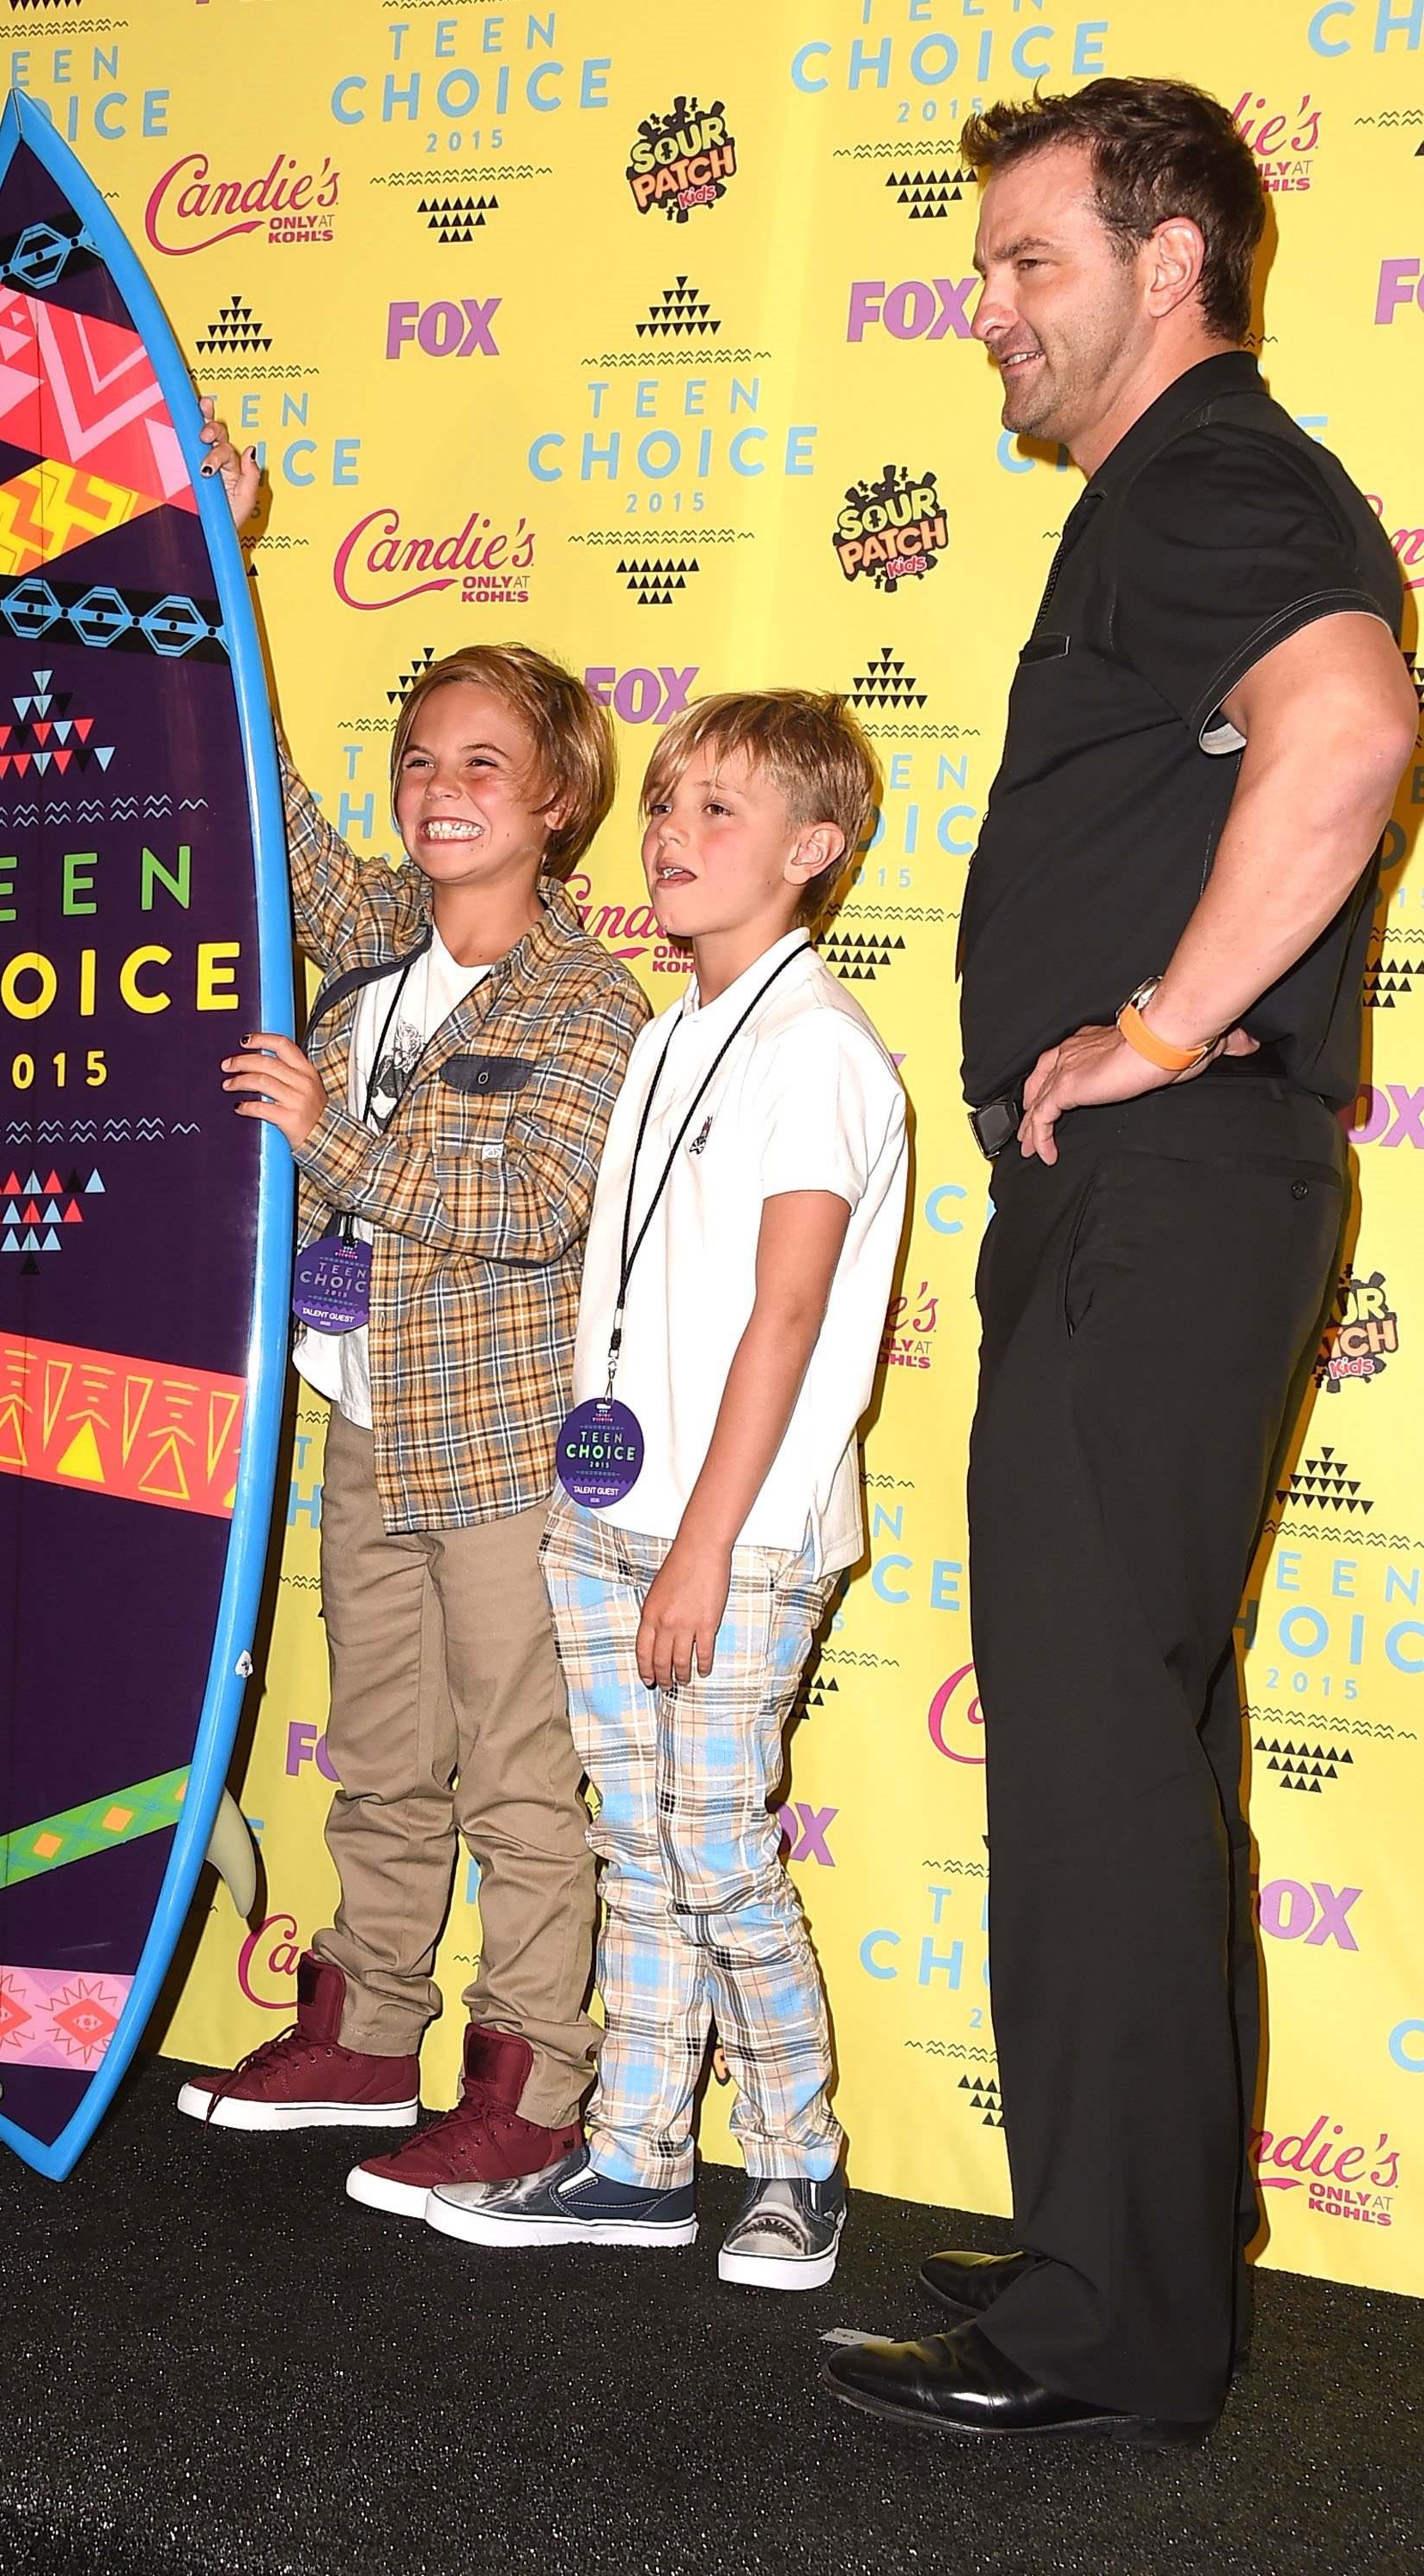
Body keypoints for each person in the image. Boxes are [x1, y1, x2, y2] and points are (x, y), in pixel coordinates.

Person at [824, 78, 1415, 2442]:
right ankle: (1137, 2248)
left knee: (1090, 1754)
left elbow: (1348, 727)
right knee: (1133, 1747)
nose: (988, 308)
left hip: (1163, 1184)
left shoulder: (1208, 476)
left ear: (1171, 263)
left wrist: (1161, 1028)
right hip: (1172, 1196)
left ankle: (1112, 2320)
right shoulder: (1185, 492)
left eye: (1028, 262)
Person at [174, 414, 653, 2216]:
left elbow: (537, 1211)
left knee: (519, 1778)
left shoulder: (593, 997)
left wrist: (338, 1139)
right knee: (379, 1753)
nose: (442, 789)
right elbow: (267, 799)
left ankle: (532, 2081)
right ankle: (370, 2029)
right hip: (362, 1417)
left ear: (558, 801)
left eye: (485, 764)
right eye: (423, 759)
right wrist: (220, 560)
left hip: (506, 1444)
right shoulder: (376, 932)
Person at [421, 692, 905, 2287]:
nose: (673, 835)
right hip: (610, 1516)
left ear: (814, 849)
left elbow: (788, 1313)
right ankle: (637, 2154)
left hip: (733, 1537)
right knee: (639, 1856)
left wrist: (701, 1545)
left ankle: (798, 2161)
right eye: (668, 803)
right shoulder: (668, 1033)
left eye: (719, 810)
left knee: (717, 1858)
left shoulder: (817, 1049)